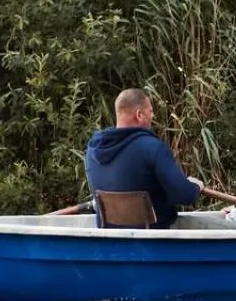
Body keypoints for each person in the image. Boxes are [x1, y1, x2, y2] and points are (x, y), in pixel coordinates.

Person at [83, 89, 202, 228]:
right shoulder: (153, 148)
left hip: (112, 243)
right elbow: (184, 195)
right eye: (150, 111)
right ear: (139, 114)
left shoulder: (93, 150)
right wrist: (196, 187)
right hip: (153, 243)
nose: (153, 115)